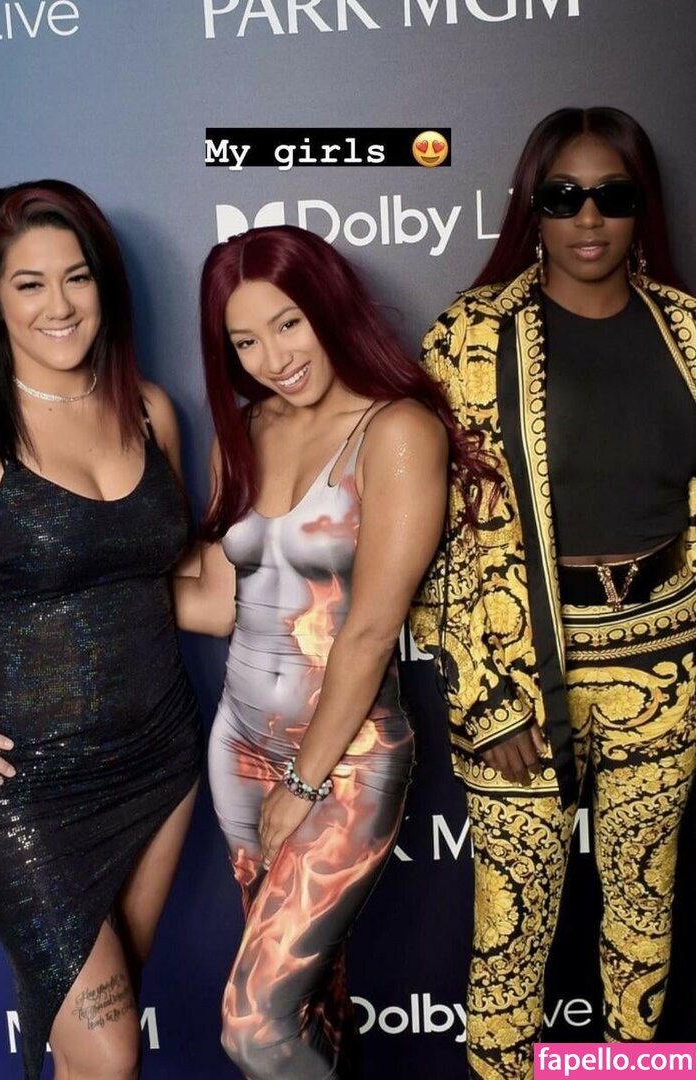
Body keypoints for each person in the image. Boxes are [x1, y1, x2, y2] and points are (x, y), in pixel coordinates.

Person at [411, 106, 696, 1079]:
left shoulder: (687, 331)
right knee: (512, 926)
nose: (588, 218)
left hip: (664, 661)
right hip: (518, 674)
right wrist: (483, 696)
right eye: (563, 195)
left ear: (640, 205)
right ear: (531, 206)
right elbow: (432, 535)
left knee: (643, 918)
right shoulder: (468, 337)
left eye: (612, 195)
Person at [176, 224, 493, 1079]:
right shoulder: (246, 428)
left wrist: (304, 782)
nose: (273, 357)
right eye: (245, 340)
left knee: (253, 1028)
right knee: (307, 1003)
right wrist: (84, 576)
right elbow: (215, 603)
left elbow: (369, 629)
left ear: (328, 307)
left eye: (288, 324)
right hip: (239, 748)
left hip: (341, 764)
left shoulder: (397, 429)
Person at [0, 180, 203, 1080]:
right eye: (28, 283)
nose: (59, 305)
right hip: (23, 783)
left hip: (160, 755)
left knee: (89, 1049)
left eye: (77, 277)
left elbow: (183, 581)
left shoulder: (150, 410)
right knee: (108, 1054)